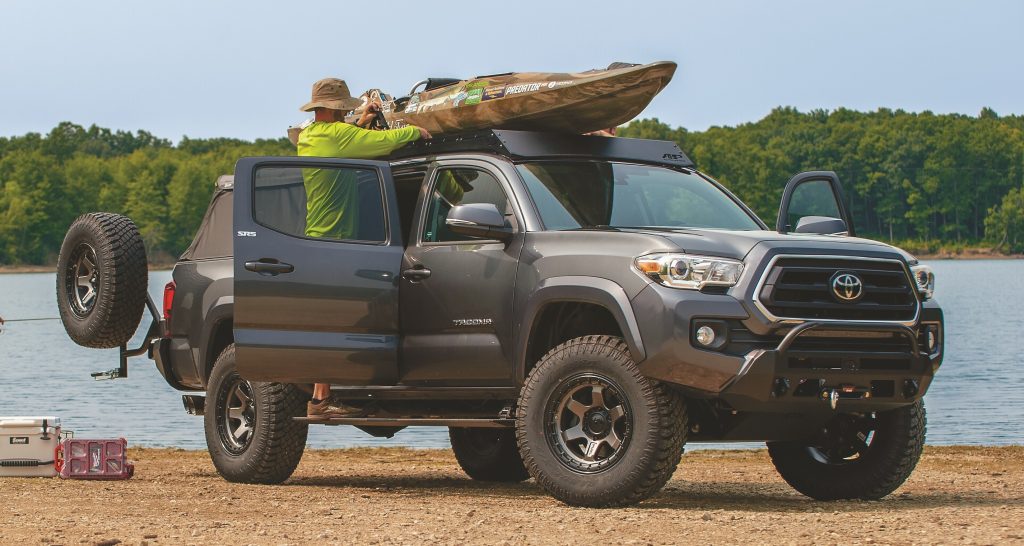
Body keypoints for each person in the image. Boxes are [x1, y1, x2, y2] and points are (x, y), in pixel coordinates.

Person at [296, 77, 432, 418]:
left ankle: (320, 398)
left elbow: (349, 138)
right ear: (331, 109)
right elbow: (384, 143)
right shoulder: (339, 137)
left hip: (318, 241)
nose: (346, 114)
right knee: (336, 324)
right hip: (335, 243)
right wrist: (417, 132)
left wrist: (361, 119)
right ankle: (321, 401)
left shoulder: (310, 137)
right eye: (342, 109)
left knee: (332, 322)